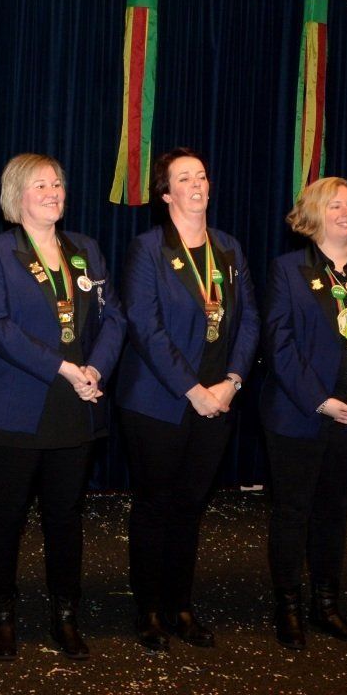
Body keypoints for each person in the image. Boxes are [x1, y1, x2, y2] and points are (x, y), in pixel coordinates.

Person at [0, 154, 126, 660]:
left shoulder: (86, 250)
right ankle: (2, 614)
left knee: (66, 517)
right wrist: (64, 368)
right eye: (40, 185)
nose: (53, 192)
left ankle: (65, 615)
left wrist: (95, 369)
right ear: (17, 195)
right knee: (6, 516)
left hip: (77, 406)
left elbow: (114, 319)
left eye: (57, 183)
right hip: (14, 408)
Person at [116, 148, 260, 652]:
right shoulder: (148, 249)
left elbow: (250, 320)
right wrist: (193, 389)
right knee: (155, 506)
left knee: (191, 506)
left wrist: (233, 381)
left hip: (219, 400)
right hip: (158, 402)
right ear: (165, 193)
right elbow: (145, 326)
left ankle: (181, 606)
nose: (197, 184)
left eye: (201, 176)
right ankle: (149, 610)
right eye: (184, 178)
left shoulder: (228, 248)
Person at [262, 176, 347, 650]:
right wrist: (321, 401)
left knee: (333, 512)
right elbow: (279, 346)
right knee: (292, 512)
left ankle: (326, 606)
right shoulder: (287, 270)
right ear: (313, 216)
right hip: (300, 414)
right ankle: (288, 608)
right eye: (335, 205)